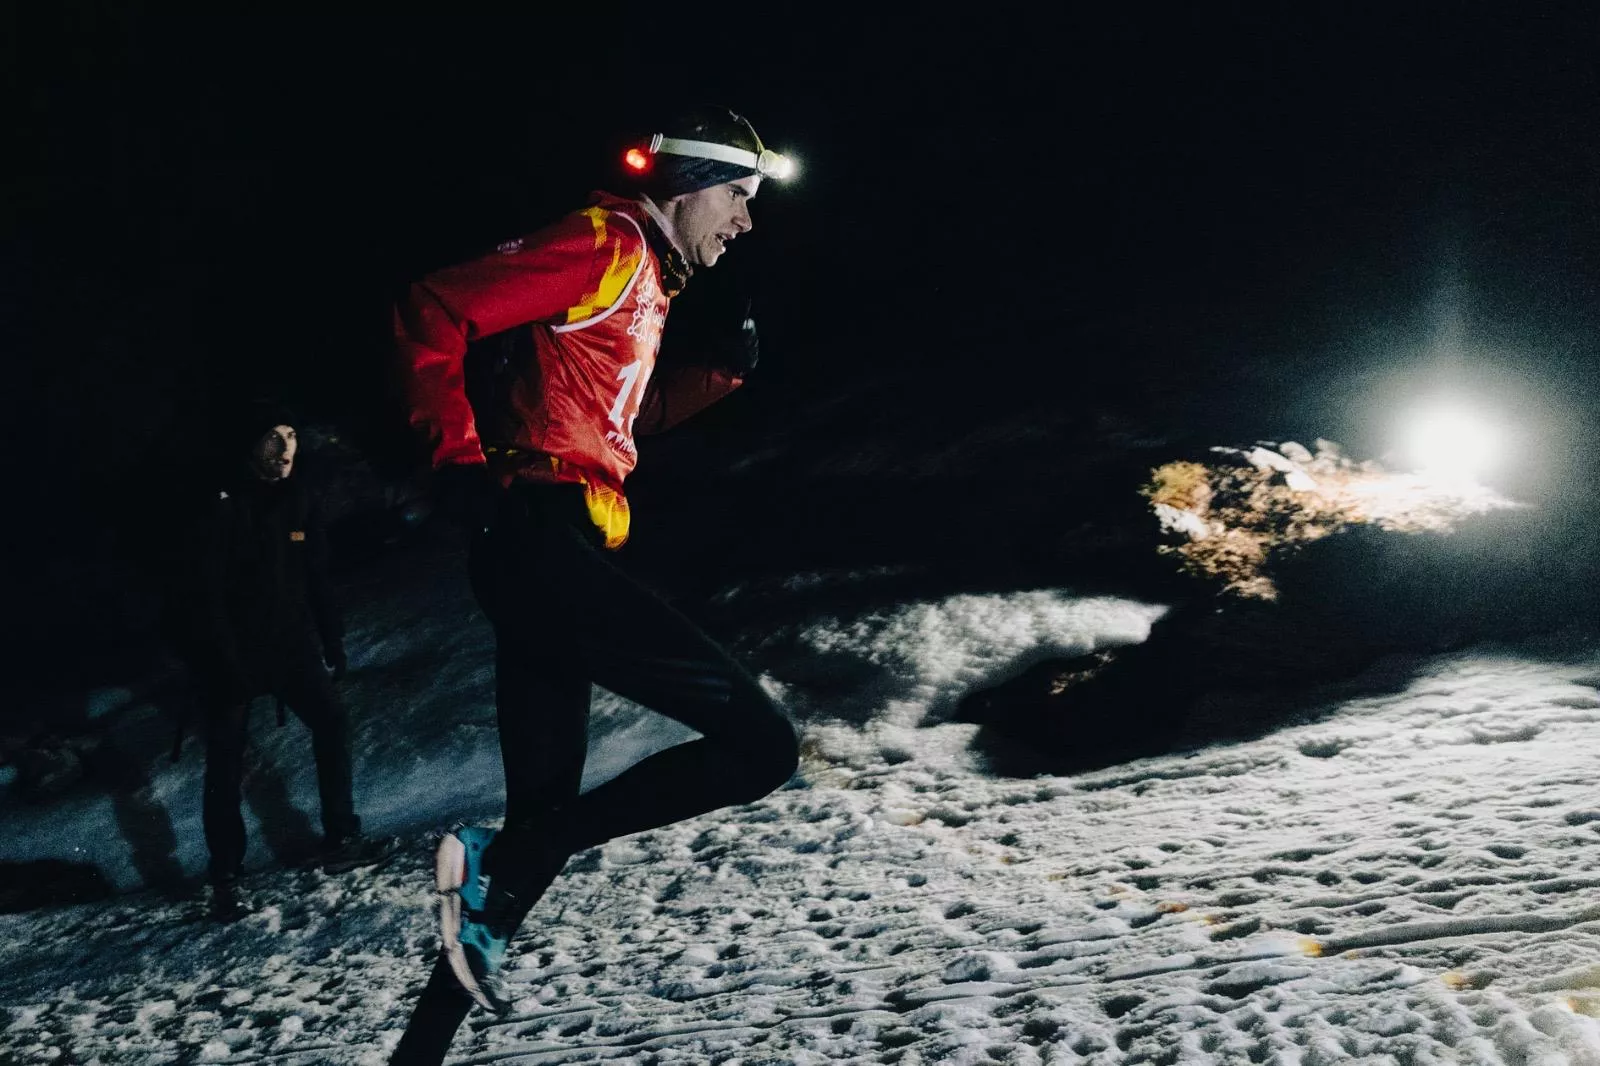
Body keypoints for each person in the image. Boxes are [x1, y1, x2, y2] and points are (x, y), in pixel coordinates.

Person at [387, 105, 801, 1060]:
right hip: (538, 539)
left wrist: (718, 378)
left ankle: (419, 1054)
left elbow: (615, 414)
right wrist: (450, 459)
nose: (745, 223)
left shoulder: (642, 277)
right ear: (690, 185)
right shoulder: (605, 240)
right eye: (739, 198)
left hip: (553, 545)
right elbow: (433, 307)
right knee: (761, 746)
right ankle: (511, 854)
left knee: (540, 826)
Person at [173, 401, 388, 920]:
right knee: (226, 757)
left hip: (288, 645)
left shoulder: (298, 500)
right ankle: (225, 874)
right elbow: (203, 593)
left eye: (291, 436)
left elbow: (315, 575)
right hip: (227, 652)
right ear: (251, 446)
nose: (284, 449)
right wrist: (223, 659)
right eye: (273, 437)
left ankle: (341, 836)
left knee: (332, 720)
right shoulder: (219, 503)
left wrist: (331, 640)